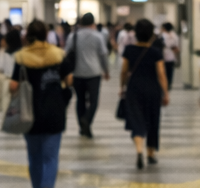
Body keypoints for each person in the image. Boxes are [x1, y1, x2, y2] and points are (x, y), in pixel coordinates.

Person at [11, 20, 75, 188]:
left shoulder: (22, 57)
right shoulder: (57, 54)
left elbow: (13, 86)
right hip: (55, 112)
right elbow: (69, 80)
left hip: (29, 114)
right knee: (50, 155)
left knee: (34, 156)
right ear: (46, 34)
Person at [121, 18, 170, 170]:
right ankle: (150, 154)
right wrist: (166, 93)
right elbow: (161, 73)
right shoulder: (155, 52)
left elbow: (124, 71)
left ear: (135, 34)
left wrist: (122, 86)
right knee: (153, 120)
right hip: (152, 89)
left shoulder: (129, 50)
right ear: (151, 35)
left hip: (134, 88)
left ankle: (139, 150)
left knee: (136, 119)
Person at [68, 12, 111, 138]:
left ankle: (83, 127)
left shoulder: (73, 36)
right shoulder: (98, 36)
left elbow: (66, 53)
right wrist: (106, 70)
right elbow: (103, 55)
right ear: (93, 23)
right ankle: (87, 121)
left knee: (80, 100)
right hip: (94, 73)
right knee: (94, 101)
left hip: (77, 73)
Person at [161, 22, 180, 86]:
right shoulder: (174, 35)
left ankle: (164, 84)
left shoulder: (163, 35)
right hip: (171, 57)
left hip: (163, 57)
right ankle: (169, 84)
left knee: (163, 72)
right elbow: (176, 48)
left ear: (164, 28)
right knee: (170, 73)